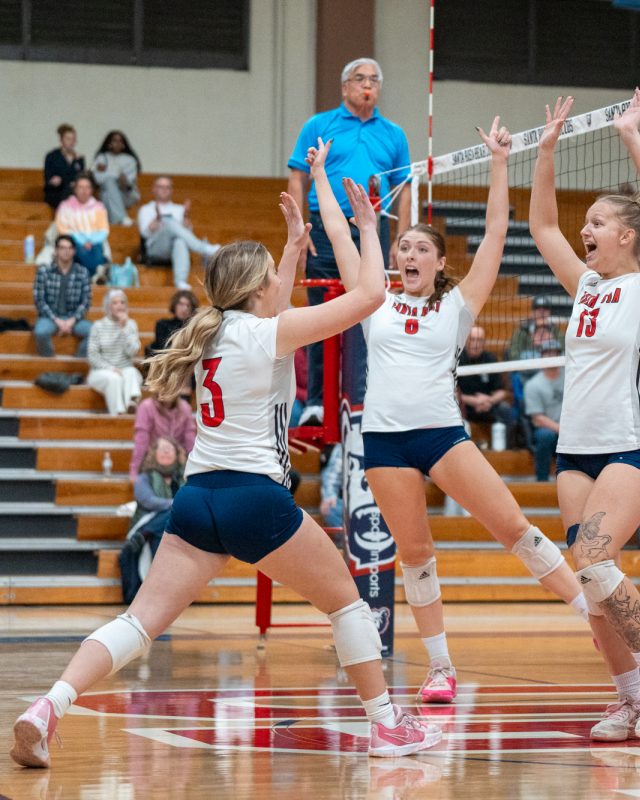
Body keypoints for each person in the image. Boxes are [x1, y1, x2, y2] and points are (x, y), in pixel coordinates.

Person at [10, 174, 441, 770]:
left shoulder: (215, 333)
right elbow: (369, 295)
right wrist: (370, 228)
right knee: (347, 607)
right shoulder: (266, 334)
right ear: (260, 286)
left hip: (197, 498)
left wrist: (291, 248)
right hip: (254, 498)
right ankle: (387, 726)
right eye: (274, 275)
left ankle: (49, 705)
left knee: (139, 624)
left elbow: (274, 313)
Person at [315, 122, 588, 705]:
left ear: (439, 262)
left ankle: (595, 613)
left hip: (442, 435)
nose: (408, 253)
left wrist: (497, 162)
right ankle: (440, 668)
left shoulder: (460, 304)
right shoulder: (375, 301)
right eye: (403, 246)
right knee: (414, 554)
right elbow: (341, 240)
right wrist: (319, 177)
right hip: (385, 441)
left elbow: (495, 230)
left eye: (420, 248)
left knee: (515, 529)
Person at [531, 90, 640, 741]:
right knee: (592, 586)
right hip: (576, 451)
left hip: (632, 446)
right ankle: (627, 697)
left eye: (596, 222)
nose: (583, 230)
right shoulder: (588, 286)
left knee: (597, 561)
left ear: (627, 235)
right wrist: (545, 151)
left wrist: (632, 136)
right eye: (585, 222)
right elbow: (541, 228)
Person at [288, 57, 412, 426]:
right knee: (320, 312)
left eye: (374, 78)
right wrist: (297, 234)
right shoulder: (319, 125)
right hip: (326, 228)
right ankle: (316, 402)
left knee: (375, 311)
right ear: (345, 87)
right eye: (360, 78)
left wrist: (401, 238)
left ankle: (371, 395)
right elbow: (297, 178)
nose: (367, 84)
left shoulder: (394, 133)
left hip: (376, 228)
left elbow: (404, 188)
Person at [119, 436, 187, 603]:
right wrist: (175, 504)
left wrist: (176, 506)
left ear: (177, 454)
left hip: (175, 528)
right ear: (153, 454)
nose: (165, 452)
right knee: (166, 523)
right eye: (162, 449)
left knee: (169, 520)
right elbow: (149, 501)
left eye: (169, 449)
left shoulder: (184, 478)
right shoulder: (144, 478)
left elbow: (189, 503)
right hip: (146, 521)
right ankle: (162, 595)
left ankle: (144, 536)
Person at [137, 176, 221, 290]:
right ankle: (204, 248)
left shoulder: (180, 209)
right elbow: (144, 233)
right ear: (154, 189)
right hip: (155, 248)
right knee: (168, 221)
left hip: (175, 249)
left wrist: (186, 220)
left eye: (167, 187)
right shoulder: (146, 209)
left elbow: (188, 236)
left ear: (171, 190)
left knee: (180, 241)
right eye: (160, 186)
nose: (164, 189)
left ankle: (180, 281)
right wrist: (157, 221)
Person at [33, 235, 92, 358]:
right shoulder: (44, 271)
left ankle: (78, 361)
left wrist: (72, 321)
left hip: (74, 318)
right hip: (50, 317)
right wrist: (57, 320)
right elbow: (39, 300)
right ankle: (48, 360)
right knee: (40, 332)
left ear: (74, 251)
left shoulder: (83, 272)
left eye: (70, 248)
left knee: (96, 332)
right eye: (62, 247)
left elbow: (86, 301)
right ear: (56, 250)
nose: (66, 251)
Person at [86, 290, 142, 415]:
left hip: (125, 370)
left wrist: (125, 328)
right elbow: (92, 356)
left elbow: (133, 351)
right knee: (114, 378)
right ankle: (118, 414)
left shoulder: (131, 324)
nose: (120, 306)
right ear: (108, 306)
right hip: (101, 371)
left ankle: (131, 405)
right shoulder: (98, 326)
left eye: (122, 302)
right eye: (115, 303)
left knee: (132, 372)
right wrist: (111, 368)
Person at [457, 326, 514, 435]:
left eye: (479, 340)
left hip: (488, 405)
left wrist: (490, 400)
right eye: (472, 339)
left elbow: (502, 391)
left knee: (505, 409)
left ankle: (506, 450)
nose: (476, 343)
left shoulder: (490, 359)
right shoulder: (458, 359)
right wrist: (474, 401)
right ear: (466, 341)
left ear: (484, 343)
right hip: (464, 405)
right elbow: (452, 392)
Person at [129, 391, 196, 482]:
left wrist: (196, 472)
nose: (168, 389)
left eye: (172, 386)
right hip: (152, 464)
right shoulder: (146, 407)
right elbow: (141, 442)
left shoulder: (185, 408)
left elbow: (190, 442)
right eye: (164, 384)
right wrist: (134, 471)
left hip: (178, 464)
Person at [524, 341, 565, 482]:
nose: (551, 356)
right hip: (551, 430)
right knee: (544, 436)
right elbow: (538, 419)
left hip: (572, 427)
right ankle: (542, 480)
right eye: (548, 353)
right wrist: (562, 430)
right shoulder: (533, 385)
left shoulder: (572, 376)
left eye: (555, 353)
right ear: (541, 356)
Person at [55, 174, 110, 279]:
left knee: (96, 251)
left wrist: (89, 241)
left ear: (91, 190)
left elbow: (104, 230)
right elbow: (61, 227)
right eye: (80, 187)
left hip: (94, 243)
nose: (84, 191)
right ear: (75, 189)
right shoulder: (65, 206)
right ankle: (92, 276)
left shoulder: (99, 207)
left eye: (87, 187)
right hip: (72, 241)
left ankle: (89, 276)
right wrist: (80, 239)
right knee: (76, 250)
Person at [92, 131, 140, 227]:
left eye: (120, 141)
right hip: (106, 193)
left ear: (123, 144)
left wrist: (107, 171)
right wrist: (117, 175)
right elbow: (98, 179)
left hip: (126, 195)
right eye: (114, 141)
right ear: (109, 143)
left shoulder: (130, 159)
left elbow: (127, 183)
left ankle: (116, 220)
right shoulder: (102, 157)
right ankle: (121, 219)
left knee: (108, 188)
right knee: (108, 187)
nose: (117, 143)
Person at [507, 296, 564, 361]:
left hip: (551, 367)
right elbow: (514, 355)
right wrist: (532, 343)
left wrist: (552, 341)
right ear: (532, 312)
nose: (541, 312)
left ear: (549, 312)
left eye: (545, 308)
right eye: (538, 308)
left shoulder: (555, 330)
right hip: (527, 368)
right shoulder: (522, 331)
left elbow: (564, 350)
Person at [145, 289, 199, 359]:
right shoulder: (162, 324)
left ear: (192, 308)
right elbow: (163, 348)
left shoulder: (193, 327)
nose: (184, 308)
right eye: (181, 304)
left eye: (188, 305)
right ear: (174, 305)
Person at [43, 124, 86, 211]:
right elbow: (48, 177)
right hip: (56, 191)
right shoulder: (52, 156)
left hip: (73, 192)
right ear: (61, 140)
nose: (71, 142)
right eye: (68, 139)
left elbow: (81, 177)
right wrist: (54, 180)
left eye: (73, 139)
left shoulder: (79, 159)